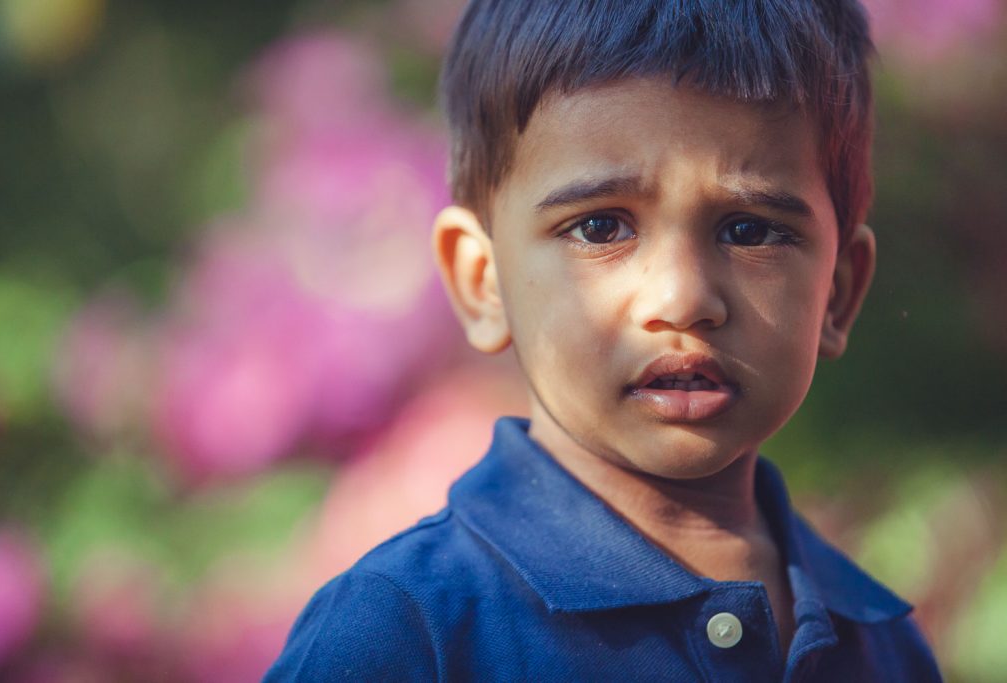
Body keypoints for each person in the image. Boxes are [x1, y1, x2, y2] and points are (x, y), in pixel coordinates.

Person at [265, 1, 943, 680]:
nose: (683, 299)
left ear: (838, 292)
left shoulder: (881, 642)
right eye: (601, 228)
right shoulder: (407, 630)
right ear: (483, 280)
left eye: (748, 230)